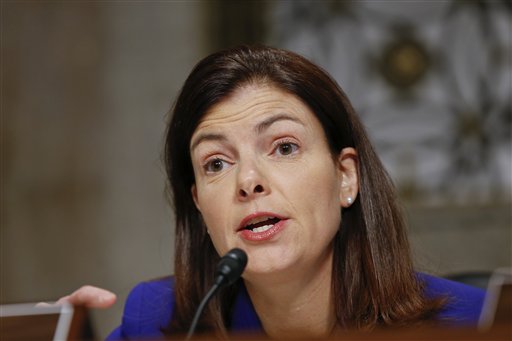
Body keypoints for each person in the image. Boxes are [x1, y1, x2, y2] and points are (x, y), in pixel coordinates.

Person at [61, 46, 485, 340]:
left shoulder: (475, 325)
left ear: (346, 178)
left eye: (284, 147)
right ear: (198, 205)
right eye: (216, 164)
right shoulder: (157, 322)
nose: (248, 180)